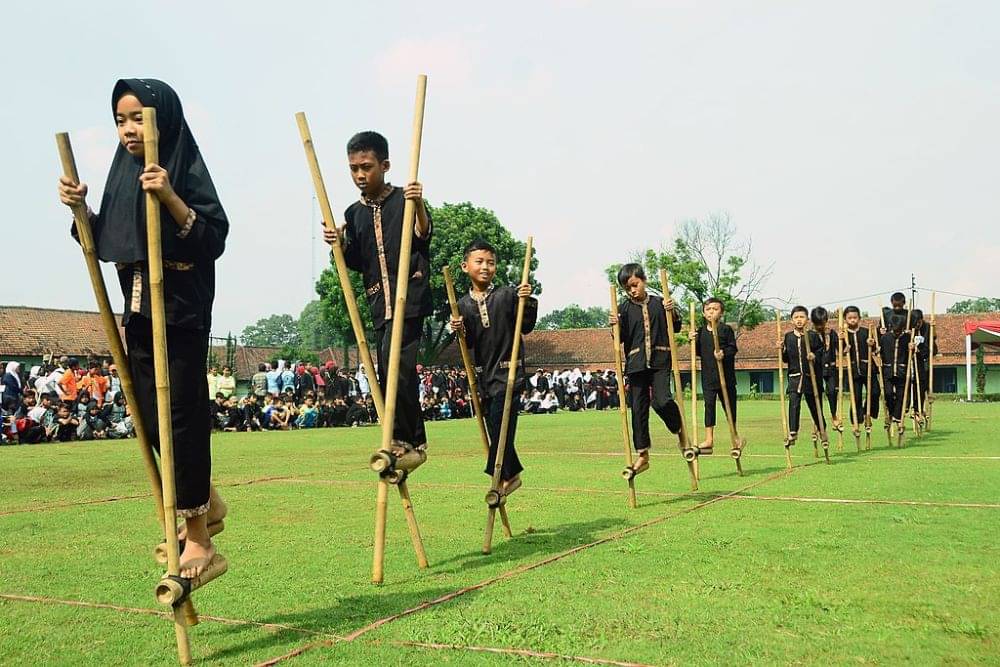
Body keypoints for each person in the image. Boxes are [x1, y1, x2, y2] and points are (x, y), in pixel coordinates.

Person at [58, 78, 228, 578]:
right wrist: (80, 210)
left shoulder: (185, 168)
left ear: (164, 120)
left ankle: (198, 536)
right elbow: (107, 237)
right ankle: (209, 502)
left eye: (138, 119)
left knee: (181, 419)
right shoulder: (121, 177)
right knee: (148, 416)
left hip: (181, 314)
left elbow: (213, 238)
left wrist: (171, 196)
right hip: (137, 315)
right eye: (120, 120)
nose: (128, 130)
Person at [322, 130, 432, 458]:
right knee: (386, 369)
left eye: (366, 167)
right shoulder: (353, 215)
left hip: (409, 298)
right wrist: (338, 245)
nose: (359, 174)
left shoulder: (404, 200)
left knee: (398, 364)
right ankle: (409, 438)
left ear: (384, 165)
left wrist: (420, 204)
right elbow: (356, 260)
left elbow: (423, 235)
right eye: (354, 168)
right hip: (378, 302)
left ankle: (405, 439)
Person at [452, 239, 536, 497]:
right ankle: (510, 474)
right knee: (495, 428)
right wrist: (460, 332)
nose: (486, 267)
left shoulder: (508, 295)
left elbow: (526, 326)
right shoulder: (462, 305)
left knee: (501, 426)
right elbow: (470, 345)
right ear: (466, 266)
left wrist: (527, 301)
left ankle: (501, 474)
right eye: (479, 262)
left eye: (491, 262)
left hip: (509, 372)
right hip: (485, 377)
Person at [609, 263, 683, 476]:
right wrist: (614, 325)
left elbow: (676, 327)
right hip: (636, 364)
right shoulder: (622, 309)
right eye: (628, 288)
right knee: (638, 409)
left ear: (644, 280)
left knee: (661, 400)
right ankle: (642, 455)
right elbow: (620, 338)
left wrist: (673, 312)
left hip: (660, 359)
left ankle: (678, 428)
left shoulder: (660, 303)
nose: (632, 290)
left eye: (635, 284)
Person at [694, 298, 738, 455]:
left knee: (729, 407)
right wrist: (692, 341)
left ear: (722, 312)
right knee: (709, 407)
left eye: (715, 309)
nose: (711, 312)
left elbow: (733, 349)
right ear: (704, 313)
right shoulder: (700, 332)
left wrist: (723, 354)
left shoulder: (726, 330)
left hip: (726, 377)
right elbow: (697, 352)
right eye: (708, 309)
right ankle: (709, 439)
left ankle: (735, 437)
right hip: (709, 377)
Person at [779, 306, 825, 448]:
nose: (799, 320)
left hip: (810, 377)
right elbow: (786, 359)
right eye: (796, 317)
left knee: (814, 405)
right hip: (794, 376)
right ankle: (793, 431)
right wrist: (781, 350)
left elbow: (821, 352)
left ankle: (822, 429)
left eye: (802, 317)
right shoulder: (788, 337)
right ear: (792, 320)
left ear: (807, 319)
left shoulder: (812, 336)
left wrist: (814, 356)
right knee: (794, 403)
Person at [842, 306, 880, 432]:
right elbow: (839, 351)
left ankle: (868, 412)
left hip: (869, 368)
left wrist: (872, 344)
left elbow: (875, 350)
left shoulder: (866, 332)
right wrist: (844, 349)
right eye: (850, 318)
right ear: (845, 319)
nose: (852, 320)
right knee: (856, 396)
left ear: (859, 318)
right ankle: (856, 421)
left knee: (875, 392)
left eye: (855, 318)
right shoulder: (844, 335)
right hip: (853, 370)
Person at [880, 313, 911, 433]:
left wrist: (912, 348)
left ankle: (897, 416)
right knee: (888, 394)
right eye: (895, 330)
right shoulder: (885, 338)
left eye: (899, 331)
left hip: (902, 371)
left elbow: (913, 353)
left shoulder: (908, 338)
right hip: (888, 371)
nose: (897, 333)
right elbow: (880, 351)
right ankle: (891, 413)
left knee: (901, 395)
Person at [810, 307, 841, 430]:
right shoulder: (810, 335)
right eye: (817, 324)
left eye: (821, 324)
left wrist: (844, 342)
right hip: (817, 368)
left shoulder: (832, 333)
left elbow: (842, 350)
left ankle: (834, 415)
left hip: (831, 367)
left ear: (826, 321)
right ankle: (819, 421)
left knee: (832, 391)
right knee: (817, 394)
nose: (819, 327)